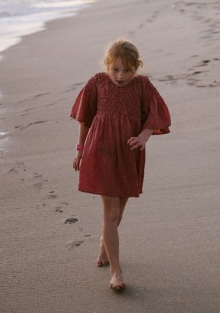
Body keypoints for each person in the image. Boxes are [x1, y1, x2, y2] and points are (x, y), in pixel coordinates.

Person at [71, 39, 170, 291]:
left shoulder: (143, 86)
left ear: (136, 67)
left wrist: (143, 137)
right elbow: (84, 119)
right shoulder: (97, 82)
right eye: (115, 69)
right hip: (101, 150)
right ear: (107, 65)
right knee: (111, 212)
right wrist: (80, 151)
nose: (120, 75)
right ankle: (116, 271)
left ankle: (105, 245)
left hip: (128, 152)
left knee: (119, 210)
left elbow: (154, 117)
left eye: (127, 70)